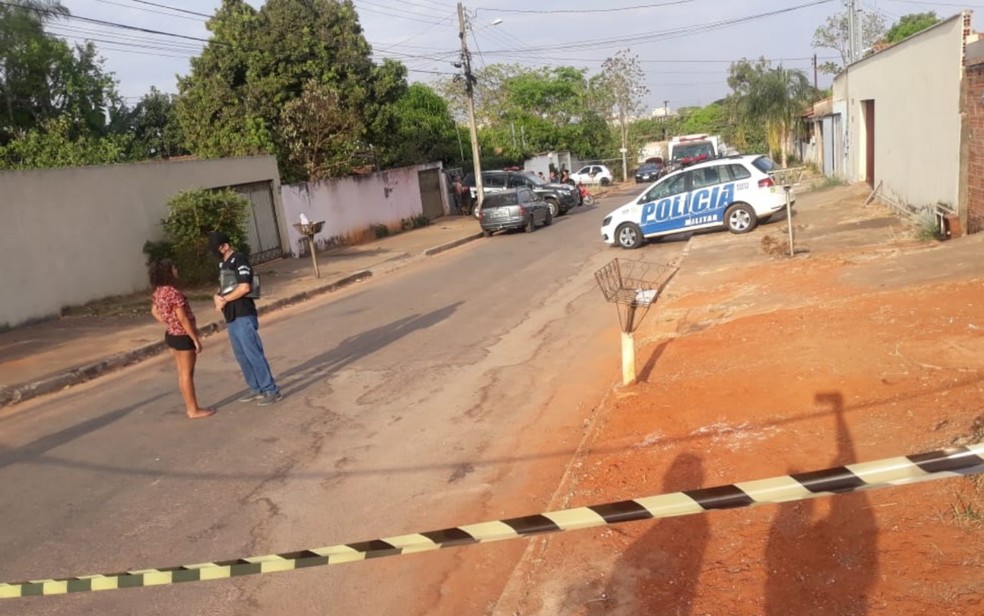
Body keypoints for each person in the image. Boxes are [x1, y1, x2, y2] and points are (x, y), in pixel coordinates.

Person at [207, 231, 283, 406]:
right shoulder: (223, 264)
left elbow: (244, 287)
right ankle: (256, 388)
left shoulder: (239, 260)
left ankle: (271, 389)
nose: (215, 253)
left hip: (243, 314)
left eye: (217, 249)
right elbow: (225, 287)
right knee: (242, 355)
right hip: (231, 315)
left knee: (253, 353)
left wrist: (224, 299)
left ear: (225, 246)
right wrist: (217, 297)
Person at [150, 259, 215, 420]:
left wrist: (168, 322)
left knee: (182, 373)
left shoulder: (158, 292)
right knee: (187, 374)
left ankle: (191, 407)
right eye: (174, 268)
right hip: (182, 336)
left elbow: (154, 311)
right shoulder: (173, 293)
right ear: (168, 272)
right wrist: (195, 339)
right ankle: (193, 409)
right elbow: (183, 318)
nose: (176, 270)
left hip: (171, 335)